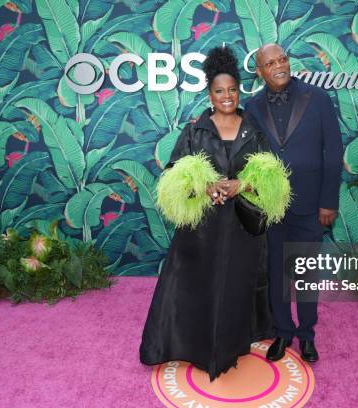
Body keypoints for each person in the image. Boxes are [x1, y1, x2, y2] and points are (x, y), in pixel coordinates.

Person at [139, 46, 278, 381]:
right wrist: (204, 186)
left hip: (243, 229)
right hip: (201, 230)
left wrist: (241, 184)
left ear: (238, 90)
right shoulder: (194, 130)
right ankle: (191, 347)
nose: (226, 96)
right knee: (195, 290)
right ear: (209, 93)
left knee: (234, 290)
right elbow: (173, 173)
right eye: (219, 91)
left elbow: (271, 176)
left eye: (232, 89)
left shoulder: (254, 129)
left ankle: (230, 347)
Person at [244, 44, 343, 363]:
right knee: (278, 273)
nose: (279, 66)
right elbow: (250, 157)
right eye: (270, 63)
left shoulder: (318, 98)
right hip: (272, 207)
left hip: (312, 204)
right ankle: (283, 333)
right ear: (260, 71)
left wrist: (328, 202)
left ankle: (307, 336)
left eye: (282, 59)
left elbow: (334, 152)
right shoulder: (253, 106)